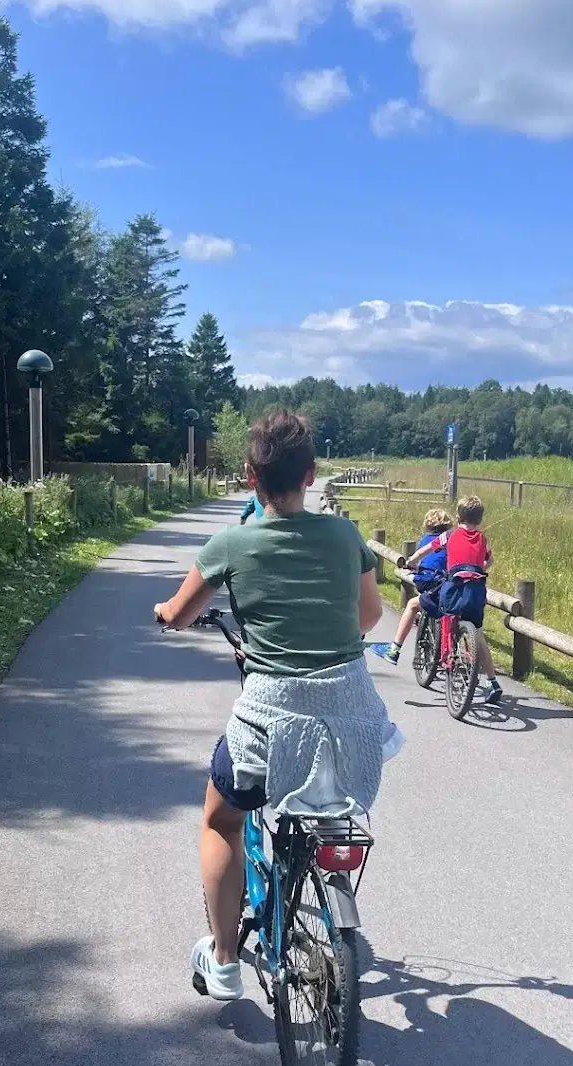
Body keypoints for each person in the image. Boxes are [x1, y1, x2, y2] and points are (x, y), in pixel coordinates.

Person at [154, 410, 403, 1001]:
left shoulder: (232, 543)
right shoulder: (346, 537)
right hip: (351, 718)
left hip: (271, 719)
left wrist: (165, 613)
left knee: (221, 819)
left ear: (249, 475)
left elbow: (182, 612)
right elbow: (369, 618)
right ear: (312, 475)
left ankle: (222, 960)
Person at [371, 495, 503, 704]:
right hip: (475, 592)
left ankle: (409, 650)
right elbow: (491, 560)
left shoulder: (449, 535)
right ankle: (493, 682)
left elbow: (427, 549)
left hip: (452, 590)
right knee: (477, 634)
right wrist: (480, 571)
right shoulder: (483, 539)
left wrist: (412, 561)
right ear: (480, 520)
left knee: (431, 606)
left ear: (458, 516)